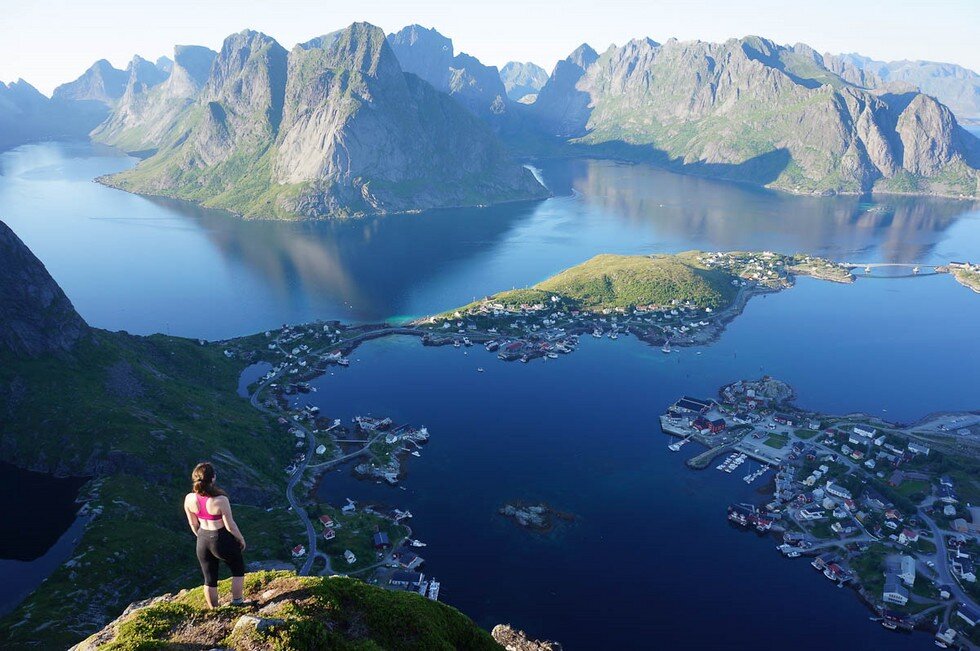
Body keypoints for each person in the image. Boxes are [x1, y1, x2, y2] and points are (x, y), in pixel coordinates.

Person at [183, 462, 248, 607]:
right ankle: (237, 602)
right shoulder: (220, 500)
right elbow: (230, 525)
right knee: (238, 570)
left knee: (209, 578)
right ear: (213, 478)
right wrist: (241, 539)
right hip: (221, 539)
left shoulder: (188, 498)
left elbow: (193, 524)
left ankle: (214, 609)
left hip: (202, 539)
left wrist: (201, 536)